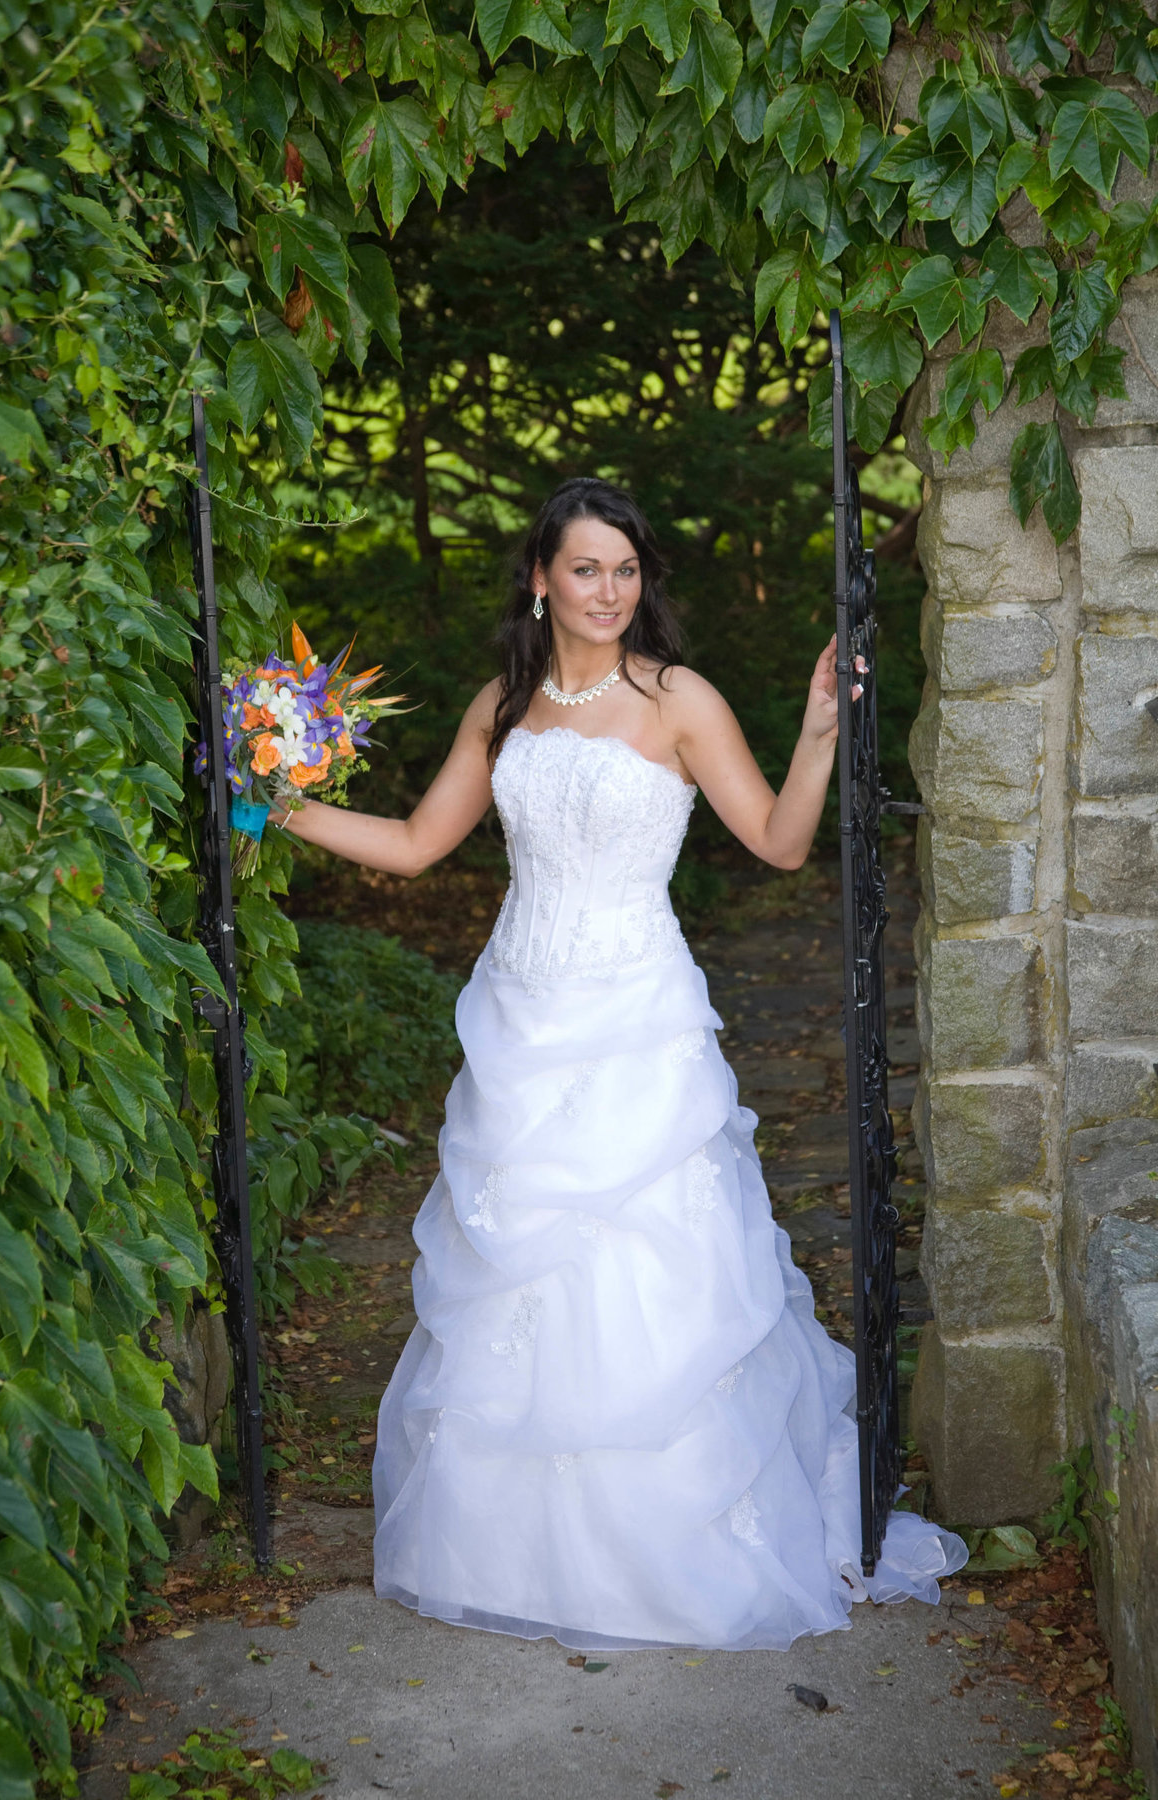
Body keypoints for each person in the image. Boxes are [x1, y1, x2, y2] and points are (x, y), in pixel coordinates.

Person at [274, 475, 967, 1651]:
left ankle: (674, 1547)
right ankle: (523, 1555)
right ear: (541, 578)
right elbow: (411, 844)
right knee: (522, 1286)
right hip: (520, 1019)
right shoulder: (503, 705)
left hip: (636, 1018)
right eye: (585, 569)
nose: (608, 591)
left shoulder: (678, 698)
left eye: (626, 569)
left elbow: (783, 843)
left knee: (651, 1279)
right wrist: (268, 809)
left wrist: (815, 730)